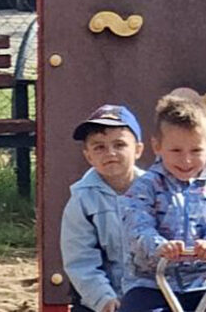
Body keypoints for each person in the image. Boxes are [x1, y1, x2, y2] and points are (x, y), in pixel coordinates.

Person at [121, 95, 206, 312]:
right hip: (152, 284)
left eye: (196, 151)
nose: (186, 160)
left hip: (204, 283)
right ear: (157, 146)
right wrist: (160, 246)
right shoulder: (145, 186)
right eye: (176, 151)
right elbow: (137, 227)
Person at [61, 104, 146, 312]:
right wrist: (103, 299)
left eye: (120, 144)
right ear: (88, 156)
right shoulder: (82, 200)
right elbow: (80, 259)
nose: (110, 153)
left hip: (149, 295)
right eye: (99, 147)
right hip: (100, 300)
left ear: (138, 150)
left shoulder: (155, 193)